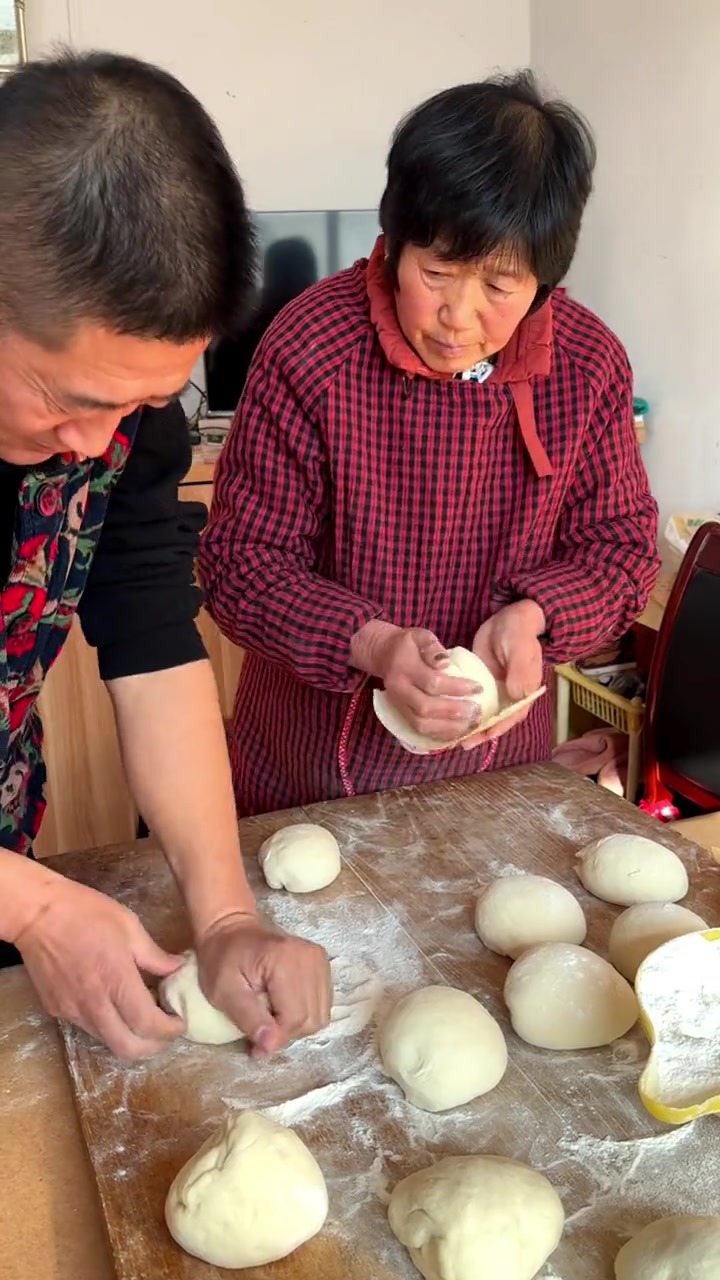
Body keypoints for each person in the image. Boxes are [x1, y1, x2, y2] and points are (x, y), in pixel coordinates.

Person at [200, 71, 659, 815]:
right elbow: (241, 565)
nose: (458, 317)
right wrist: (374, 645)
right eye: (436, 271)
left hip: (495, 770)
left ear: (545, 280)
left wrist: (535, 615)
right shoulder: (312, 346)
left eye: (500, 285)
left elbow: (623, 550)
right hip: (310, 772)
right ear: (393, 244)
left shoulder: (586, 363)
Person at [0, 51, 331, 1060]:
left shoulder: (121, 423)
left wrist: (226, 911)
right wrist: (38, 913)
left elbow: (149, 634)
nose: (98, 446)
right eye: (74, 399)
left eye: (141, 404)